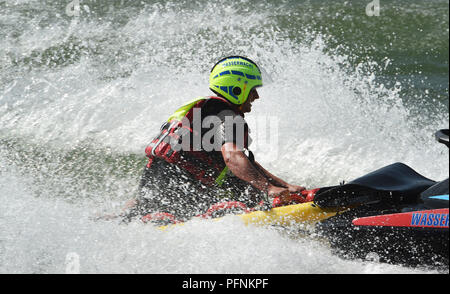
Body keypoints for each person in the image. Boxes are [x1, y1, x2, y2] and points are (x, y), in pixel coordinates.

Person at [125, 56, 305, 224]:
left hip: (155, 187)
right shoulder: (227, 115)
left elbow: (245, 162)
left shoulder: (205, 110)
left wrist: (284, 185)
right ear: (237, 89)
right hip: (178, 194)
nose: (256, 97)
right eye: (252, 90)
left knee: (242, 176)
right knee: (246, 185)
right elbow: (232, 157)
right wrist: (268, 188)